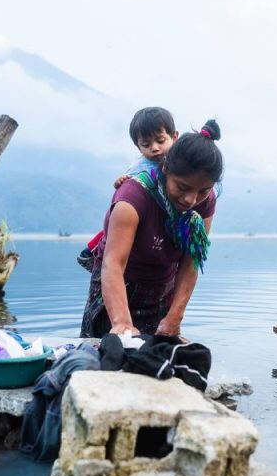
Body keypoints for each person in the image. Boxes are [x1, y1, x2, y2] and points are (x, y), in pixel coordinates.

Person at [80, 119, 223, 338]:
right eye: (182, 187)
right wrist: (121, 322)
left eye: (202, 191)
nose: (191, 200)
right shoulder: (132, 198)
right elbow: (113, 264)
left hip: (161, 289)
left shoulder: (206, 201)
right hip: (118, 286)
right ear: (165, 168)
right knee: (110, 350)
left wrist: (175, 317)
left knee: (158, 357)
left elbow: (191, 262)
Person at [77, 106, 179, 271]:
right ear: (139, 147)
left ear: (174, 137)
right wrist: (121, 181)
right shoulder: (141, 165)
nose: (154, 148)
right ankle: (91, 253)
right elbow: (128, 185)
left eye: (160, 141)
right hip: (139, 214)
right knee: (113, 231)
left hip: (162, 217)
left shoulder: (180, 162)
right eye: (146, 144)